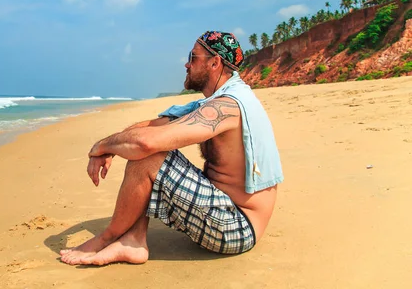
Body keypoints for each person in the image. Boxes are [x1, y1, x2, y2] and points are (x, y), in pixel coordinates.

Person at [60, 31, 284, 266]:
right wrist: (110, 147)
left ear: (215, 63)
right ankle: (133, 240)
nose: (186, 64)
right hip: (221, 209)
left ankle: (109, 238)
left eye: (193, 57)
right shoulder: (213, 102)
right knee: (147, 145)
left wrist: (100, 146)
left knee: (149, 154)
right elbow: (150, 126)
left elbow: (145, 143)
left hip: (237, 227)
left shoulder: (227, 107)